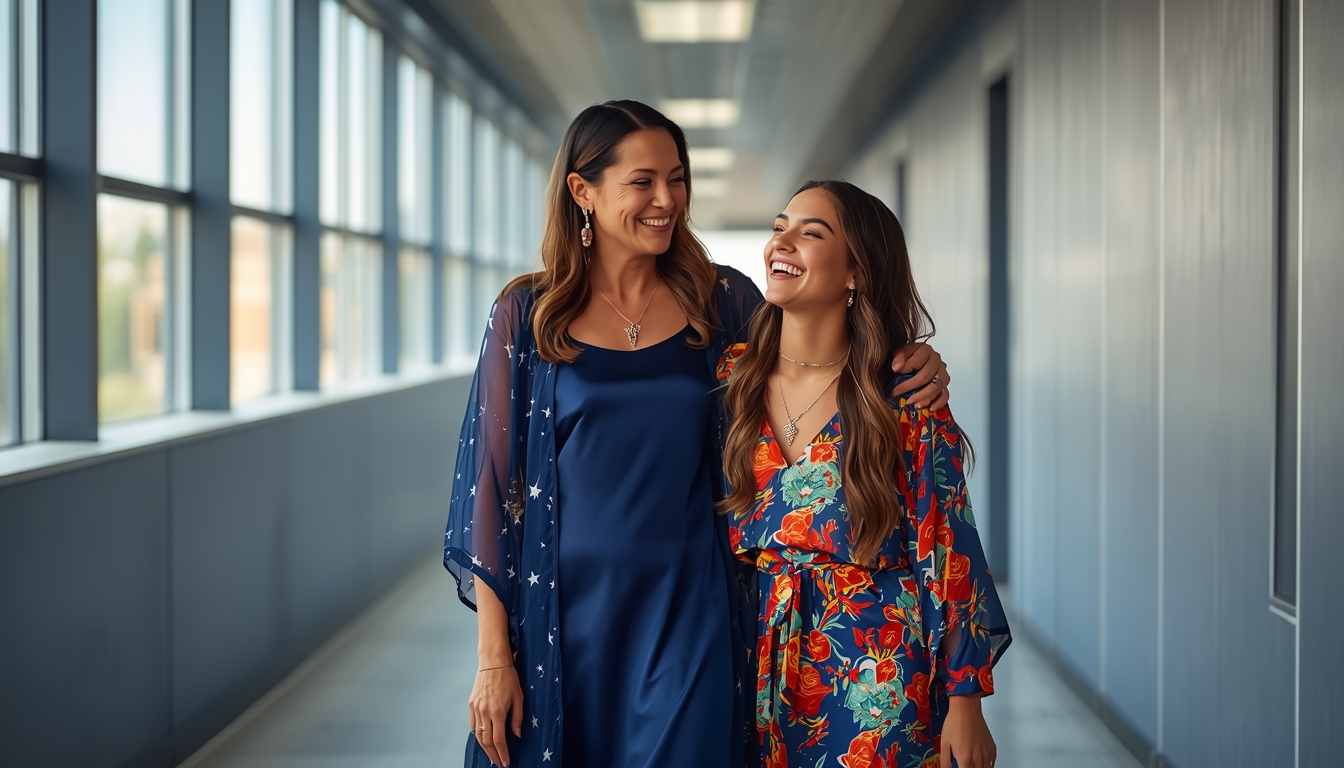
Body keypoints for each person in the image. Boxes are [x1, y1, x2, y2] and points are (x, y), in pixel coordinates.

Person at [444, 102, 951, 768]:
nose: (667, 200)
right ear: (582, 191)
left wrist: (907, 359)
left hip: (690, 614)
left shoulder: (722, 302)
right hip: (561, 625)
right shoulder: (526, 315)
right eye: (643, 181)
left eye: (677, 179)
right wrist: (493, 658)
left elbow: (818, 353)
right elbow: (492, 489)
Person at [717, 181, 1010, 768]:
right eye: (780, 226)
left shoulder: (901, 396)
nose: (784, 240)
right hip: (755, 659)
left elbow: (948, 549)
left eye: (811, 232)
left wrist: (966, 701)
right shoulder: (733, 377)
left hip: (876, 675)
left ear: (856, 271)